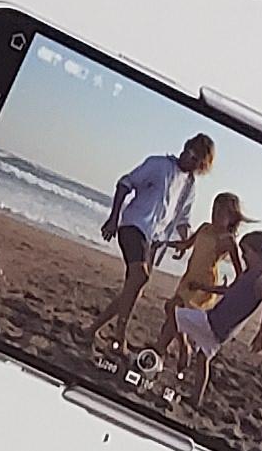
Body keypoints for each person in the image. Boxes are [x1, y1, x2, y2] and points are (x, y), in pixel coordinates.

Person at [90, 131, 216, 355]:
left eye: (196, 160)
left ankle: (92, 330)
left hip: (154, 241)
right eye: (190, 153)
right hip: (133, 225)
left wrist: (185, 241)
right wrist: (113, 217)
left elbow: (182, 219)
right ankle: (119, 336)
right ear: (185, 147)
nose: (190, 159)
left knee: (133, 289)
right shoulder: (158, 165)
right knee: (140, 276)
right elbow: (125, 183)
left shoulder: (189, 186)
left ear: (201, 166)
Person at [170, 228, 262, 408]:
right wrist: (204, 287)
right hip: (221, 328)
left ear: (257, 252)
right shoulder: (248, 274)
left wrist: (261, 334)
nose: (243, 257)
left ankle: (183, 347)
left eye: (246, 252)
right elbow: (228, 290)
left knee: (171, 309)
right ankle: (196, 399)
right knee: (203, 358)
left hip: (215, 322)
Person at [149, 192, 244, 354]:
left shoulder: (228, 240)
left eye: (221, 213)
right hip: (189, 278)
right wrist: (165, 243)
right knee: (174, 317)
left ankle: (182, 346)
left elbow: (240, 275)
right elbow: (186, 244)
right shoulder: (205, 227)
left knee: (173, 308)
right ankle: (162, 350)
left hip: (203, 285)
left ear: (232, 218)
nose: (215, 215)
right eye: (214, 210)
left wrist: (221, 289)